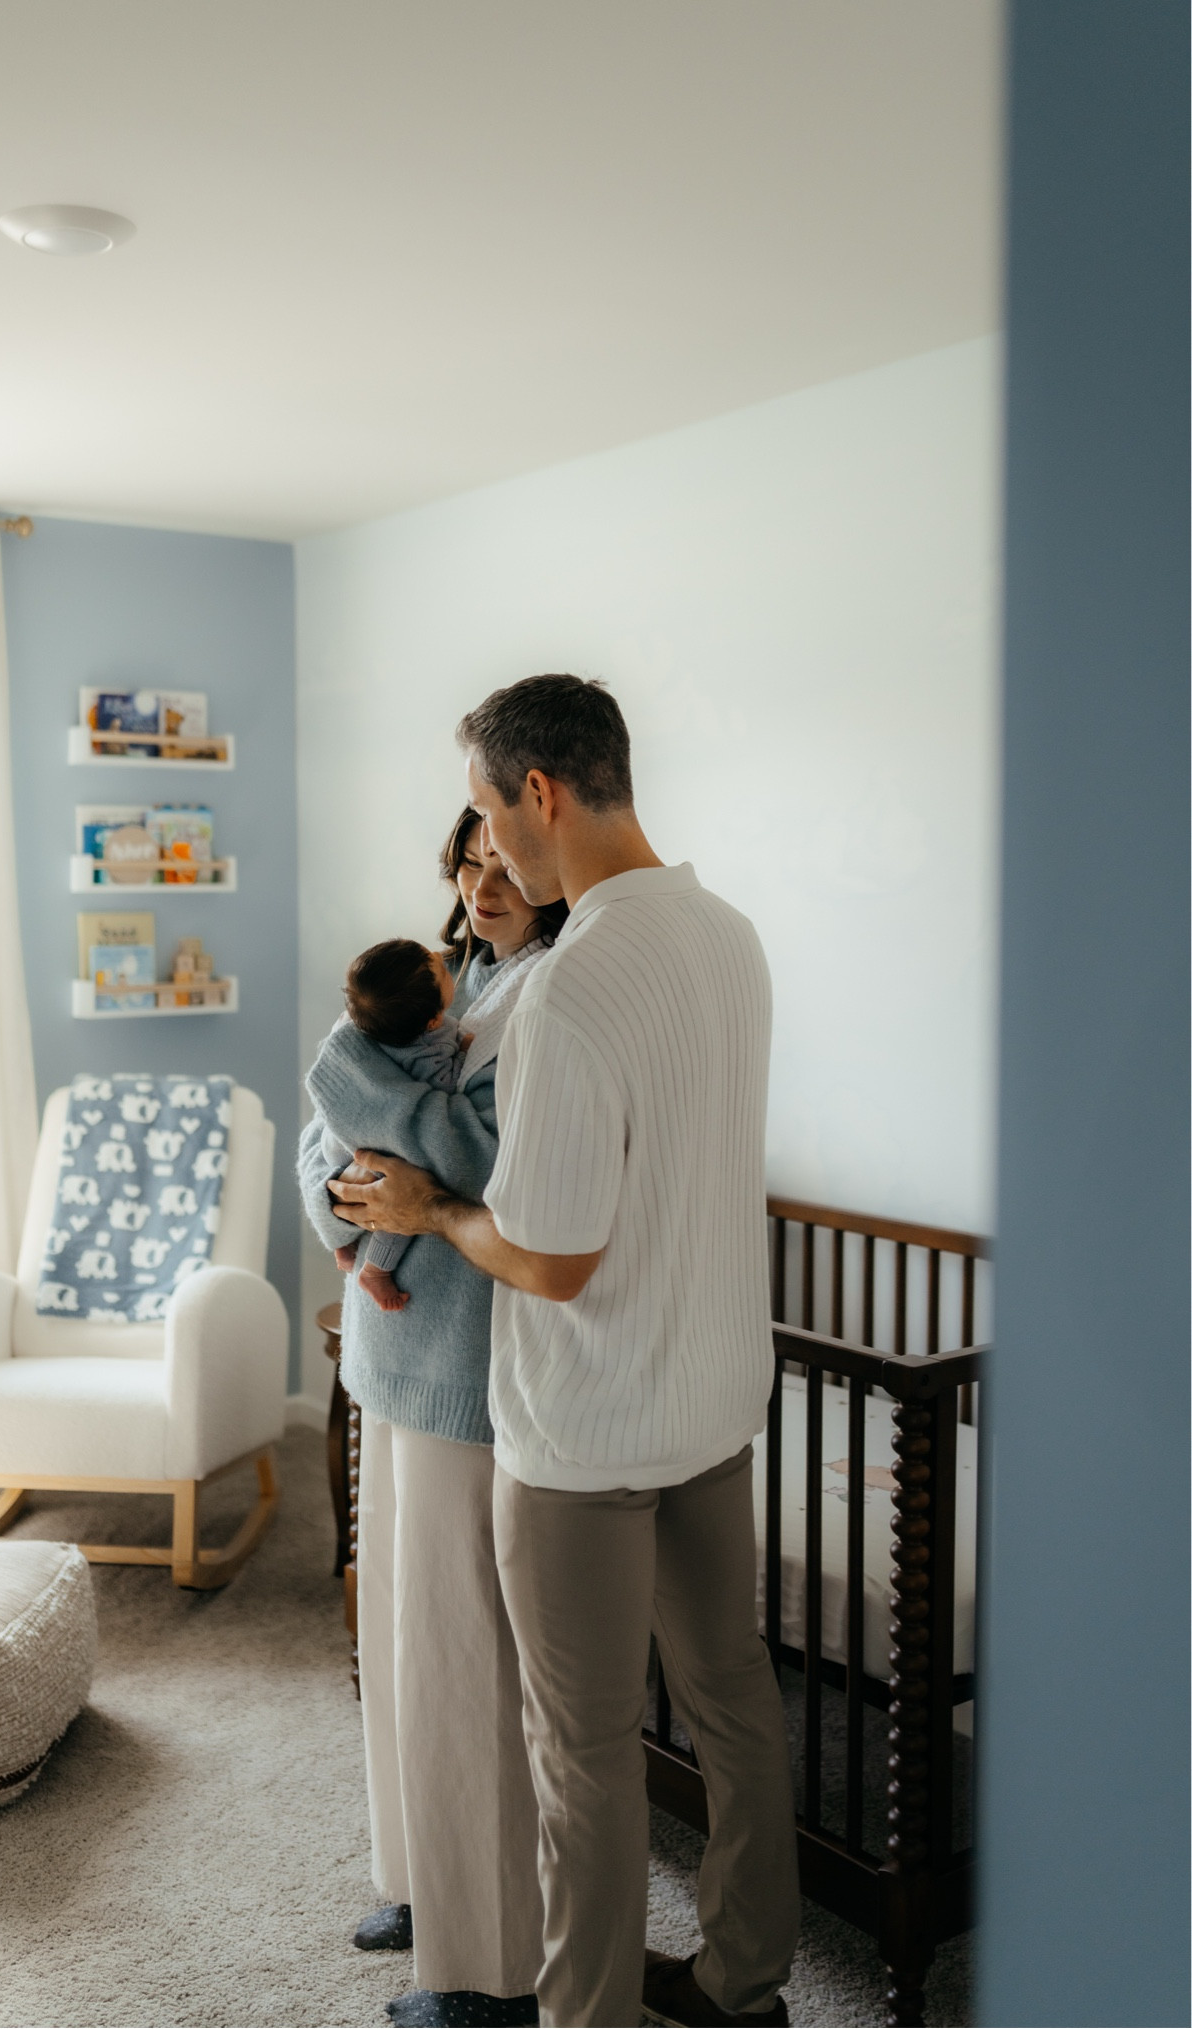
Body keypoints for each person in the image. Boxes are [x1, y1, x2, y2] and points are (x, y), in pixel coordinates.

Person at [327, 675, 801, 2029]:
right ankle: (743, 1981)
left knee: (583, 1757)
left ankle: (584, 2013)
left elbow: (551, 1256)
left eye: (486, 806)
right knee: (733, 1705)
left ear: (537, 793)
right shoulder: (729, 935)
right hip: (713, 1402)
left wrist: (428, 1211)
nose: (486, 844)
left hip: (586, 1434)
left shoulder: (570, 988)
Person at [298, 808, 567, 2029]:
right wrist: (354, 1201)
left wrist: (376, 1117)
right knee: (402, 1643)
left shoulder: (552, 995)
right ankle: (416, 1877)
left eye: (505, 857)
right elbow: (326, 1143)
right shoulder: (440, 980)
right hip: (385, 1352)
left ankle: (482, 1966)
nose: (484, 878)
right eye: (467, 860)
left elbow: (479, 1159)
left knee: (463, 1656)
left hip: (469, 1371)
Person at [333, 938, 469, 1312]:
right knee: (396, 1205)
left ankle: (341, 1241)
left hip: (352, 1136)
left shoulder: (367, 1020)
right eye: (440, 969)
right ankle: (376, 1269)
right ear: (433, 1020)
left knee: (343, 1180)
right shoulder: (429, 1050)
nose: (443, 957)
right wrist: (466, 1051)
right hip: (387, 1146)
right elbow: (447, 1084)